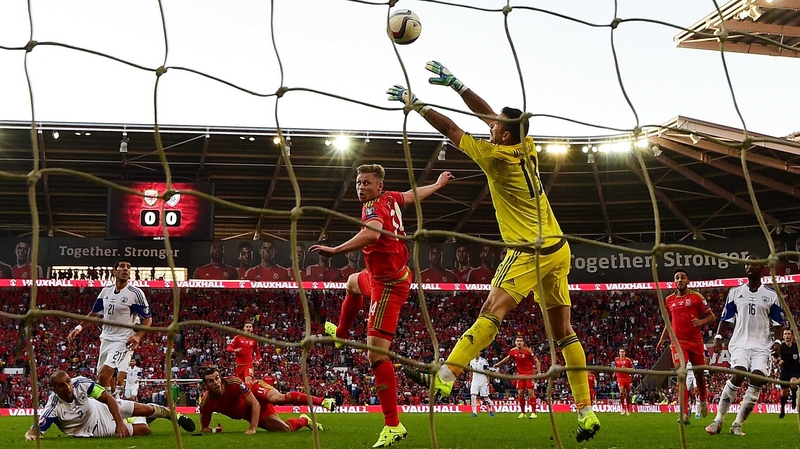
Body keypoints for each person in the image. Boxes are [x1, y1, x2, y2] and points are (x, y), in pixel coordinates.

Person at [391, 60, 600, 441]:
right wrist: (457, 84)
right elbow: (487, 114)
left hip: (528, 251)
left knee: (492, 310)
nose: (491, 126)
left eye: (496, 127)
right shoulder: (526, 144)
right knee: (564, 332)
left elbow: (452, 129)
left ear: (503, 136)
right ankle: (586, 412)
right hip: (558, 247)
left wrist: (416, 104)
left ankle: (446, 375)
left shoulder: (496, 158)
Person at [310, 164, 453, 448]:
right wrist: (437, 185)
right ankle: (340, 336)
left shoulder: (374, 207)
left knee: (376, 355)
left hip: (388, 285)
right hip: (378, 277)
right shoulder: (390, 199)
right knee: (352, 282)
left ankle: (393, 425)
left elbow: (373, 233)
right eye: (358, 183)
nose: (361, 187)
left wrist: (336, 250)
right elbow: (412, 195)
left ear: (378, 186)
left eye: (366, 183)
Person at [705, 255, 784, 436]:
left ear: (762, 268)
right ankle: (718, 420)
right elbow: (726, 318)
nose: (749, 266)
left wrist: (778, 342)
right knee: (738, 374)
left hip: (762, 346)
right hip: (740, 343)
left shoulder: (771, 295)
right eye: (747, 264)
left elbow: (779, 323)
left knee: (757, 379)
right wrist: (718, 336)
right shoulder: (735, 292)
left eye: (754, 264)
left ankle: (737, 424)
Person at [24, 370, 194, 440]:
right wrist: (32, 434)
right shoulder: (53, 407)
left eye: (68, 381)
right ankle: (138, 420)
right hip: (95, 429)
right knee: (145, 431)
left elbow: (107, 398)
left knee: (146, 408)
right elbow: (36, 429)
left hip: (100, 407)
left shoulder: (81, 383)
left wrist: (119, 422)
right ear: (54, 389)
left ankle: (170, 414)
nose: (68, 386)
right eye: (62, 385)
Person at [68, 260, 152, 393]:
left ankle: (110, 408)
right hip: (106, 339)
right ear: (114, 271)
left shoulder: (135, 293)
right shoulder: (106, 291)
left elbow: (147, 319)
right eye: (122, 266)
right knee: (101, 380)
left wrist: (137, 336)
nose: (125, 269)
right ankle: (114, 402)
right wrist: (78, 328)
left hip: (122, 340)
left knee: (104, 375)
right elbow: (94, 314)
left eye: (128, 267)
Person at [655, 268, 715, 423]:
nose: (680, 280)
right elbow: (668, 322)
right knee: (681, 373)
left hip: (696, 342)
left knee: (699, 376)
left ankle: (702, 400)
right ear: (674, 282)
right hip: (678, 343)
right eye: (677, 277)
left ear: (688, 281)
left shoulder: (696, 297)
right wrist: (662, 339)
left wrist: (701, 322)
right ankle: (684, 413)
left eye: (682, 277)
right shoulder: (669, 300)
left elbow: (712, 316)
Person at [198, 366, 325, 435]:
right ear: (205, 386)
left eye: (217, 378)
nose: (215, 383)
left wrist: (252, 428)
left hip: (254, 393)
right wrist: (214, 430)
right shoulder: (206, 403)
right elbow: (204, 428)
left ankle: (322, 401)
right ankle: (304, 420)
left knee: (277, 398)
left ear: (220, 378)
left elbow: (254, 403)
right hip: (248, 413)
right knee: (285, 429)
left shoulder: (234, 382)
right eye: (211, 381)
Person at [493, 336, 541, 418]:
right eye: (517, 341)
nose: (519, 342)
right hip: (520, 375)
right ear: (515, 342)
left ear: (523, 343)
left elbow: (536, 361)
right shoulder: (513, 351)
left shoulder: (528, 351)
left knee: (530, 392)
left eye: (521, 341)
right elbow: (507, 358)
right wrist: (498, 364)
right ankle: (523, 413)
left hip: (529, 374)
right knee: (520, 393)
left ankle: (534, 413)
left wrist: (539, 372)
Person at [773, 328, 799, 419]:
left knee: (793, 382)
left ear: (792, 336)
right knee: (784, 393)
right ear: (783, 336)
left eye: (788, 334)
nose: (787, 336)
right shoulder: (781, 347)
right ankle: (782, 409)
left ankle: (794, 398)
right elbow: (773, 357)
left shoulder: (797, 346)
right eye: (785, 334)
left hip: (795, 370)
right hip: (785, 371)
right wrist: (778, 361)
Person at [468, 353, 495, 417]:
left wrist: (488, 380)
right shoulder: (472, 361)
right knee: (473, 396)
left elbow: (487, 371)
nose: (476, 354)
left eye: (477, 352)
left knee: (486, 398)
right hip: (475, 381)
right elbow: (471, 371)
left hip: (483, 381)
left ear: (479, 353)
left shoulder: (483, 361)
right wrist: (470, 380)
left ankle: (491, 410)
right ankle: (474, 412)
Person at [613, 349, 634, 416]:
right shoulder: (616, 360)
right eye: (621, 352)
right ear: (619, 353)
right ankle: (623, 408)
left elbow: (633, 369)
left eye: (623, 352)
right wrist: (614, 373)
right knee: (621, 392)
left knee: (627, 394)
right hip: (620, 378)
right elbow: (615, 367)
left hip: (627, 378)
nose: (622, 353)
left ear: (625, 353)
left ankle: (628, 408)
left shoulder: (628, 360)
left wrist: (626, 369)